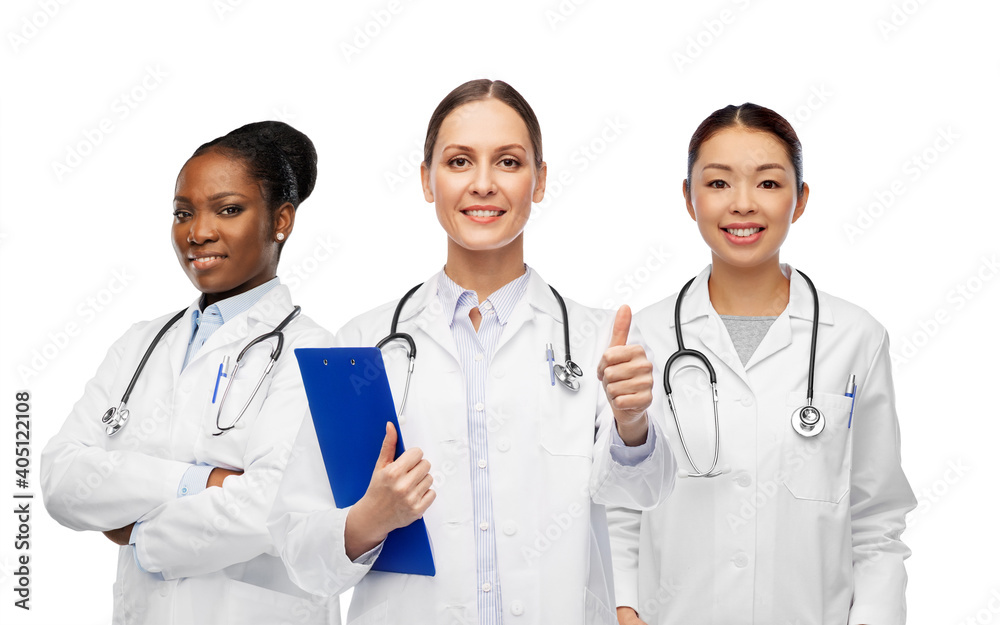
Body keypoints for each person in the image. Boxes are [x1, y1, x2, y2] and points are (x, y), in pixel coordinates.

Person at [267, 79, 676, 624]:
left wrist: (632, 423)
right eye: (459, 162)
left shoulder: (600, 340)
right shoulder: (364, 347)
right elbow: (298, 548)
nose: (483, 184)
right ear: (427, 180)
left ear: (540, 180)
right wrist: (370, 518)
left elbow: (643, 490)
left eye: (508, 162)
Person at [609, 103, 916, 625]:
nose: (744, 205)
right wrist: (623, 607)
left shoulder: (856, 338)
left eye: (769, 184)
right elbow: (619, 504)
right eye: (719, 183)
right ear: (689, 198)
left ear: (800, 201)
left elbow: (876, 519)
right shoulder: (645, 338)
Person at [41, 121, 340, 624]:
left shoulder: (319, 353)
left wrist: (136, 531)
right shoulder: (140, 343)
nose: (197, 232)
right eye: (183, 213)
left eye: (228, 209)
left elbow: (272, 506)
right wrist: (203, 481)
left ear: (281, 220)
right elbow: (60, 478)